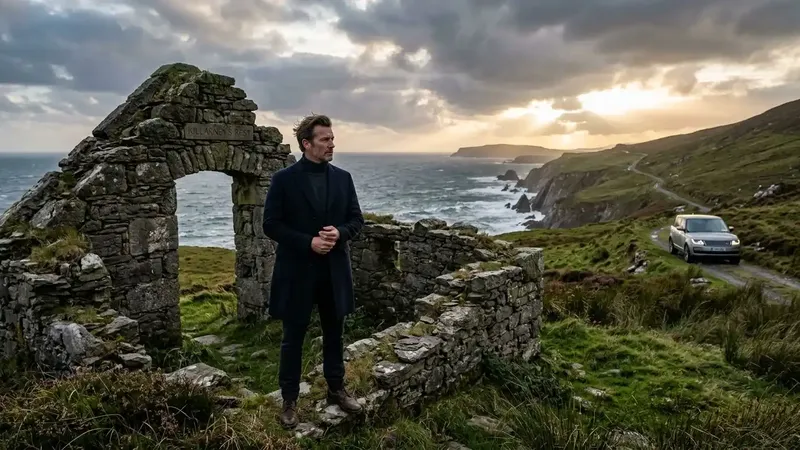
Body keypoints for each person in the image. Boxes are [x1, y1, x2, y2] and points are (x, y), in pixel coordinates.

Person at [262, 114, 365, 429]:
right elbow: (271, 225)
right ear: (307, 143)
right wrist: (309, 241)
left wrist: (340, 234)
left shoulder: (343, 178)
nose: (332, 144)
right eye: (325, 139)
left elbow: (356, 220)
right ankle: (290, 401)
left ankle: (336, 389)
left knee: (335, 333)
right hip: (297, 272)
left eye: (332, 138)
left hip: (334, 272)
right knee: (293, 337)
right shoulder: (284, 180)